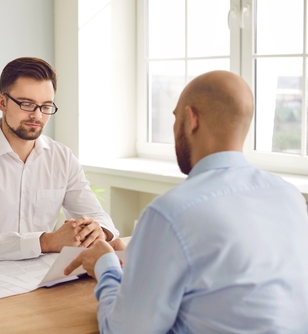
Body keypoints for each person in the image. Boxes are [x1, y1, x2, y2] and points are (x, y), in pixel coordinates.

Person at [65, 70, 308, 333]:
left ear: (191, 119)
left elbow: (124, 329)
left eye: (175, 118)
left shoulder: (172, 212)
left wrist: (106, 265)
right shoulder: (290, 197)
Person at [0, 57, 119, 262]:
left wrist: (99, 231)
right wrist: (45, 242)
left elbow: (98, 217)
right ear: (2, 102)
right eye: (27, 104)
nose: (37, 115)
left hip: (43, 276)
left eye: (46, 106)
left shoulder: (62, 158)